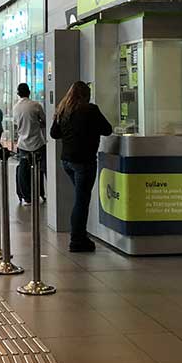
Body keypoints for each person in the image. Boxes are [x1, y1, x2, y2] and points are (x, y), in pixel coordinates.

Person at [50, 81, 113, 252]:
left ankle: (80, 236)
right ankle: (77, 240)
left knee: (80, 198)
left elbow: (54, 133)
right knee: (81, 201)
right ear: (86, 94)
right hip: (84, 161)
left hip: (67, 161)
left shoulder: (63, 109)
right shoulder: (90, 110)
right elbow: (107, 129)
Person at [13, 83, 46, 204]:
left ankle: (26, 197)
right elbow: (44, 120)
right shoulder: (35, 105)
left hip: (22, 144)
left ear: (18, 93)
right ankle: (40, 192)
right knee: (40, 169)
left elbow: (16, 123)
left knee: (23, 171)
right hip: (37, 142)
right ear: (29, 92)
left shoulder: (15, 107)